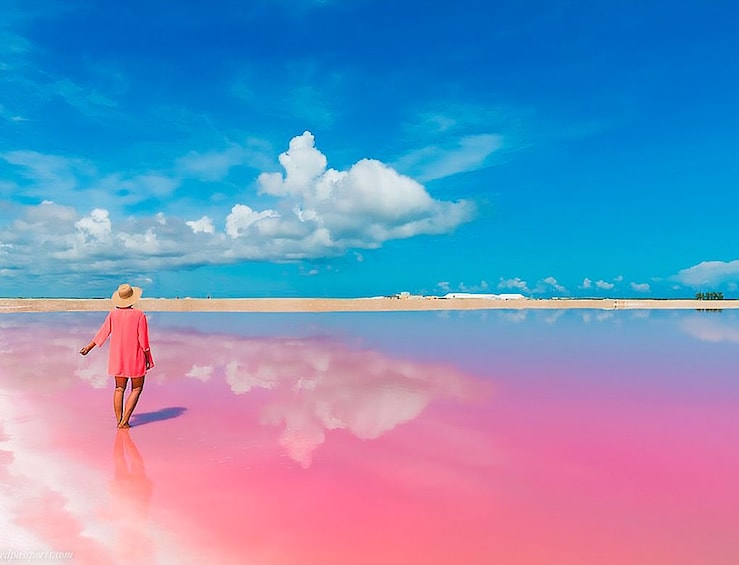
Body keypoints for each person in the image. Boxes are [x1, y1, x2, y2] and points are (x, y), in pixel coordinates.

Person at [80, 283, 155, 428]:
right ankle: (124, 422)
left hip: (118, 356)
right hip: (135, 356)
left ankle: (118, 420)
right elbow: (143, 341)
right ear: (133, 299)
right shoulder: (139, 315)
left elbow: (103, 332)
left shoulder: (113, 314)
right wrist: (148, 358)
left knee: (119, 388)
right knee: (136, 388)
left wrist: (89, 347)